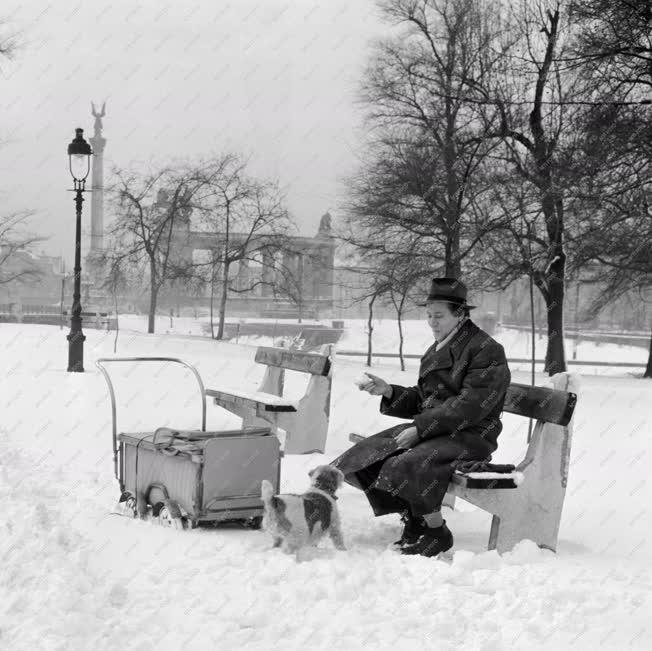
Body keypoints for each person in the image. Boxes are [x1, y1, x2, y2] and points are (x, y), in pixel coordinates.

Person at [331, 277, 511, 558]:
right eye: (428, 315)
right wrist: (389, 391)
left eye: (438, 316)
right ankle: (414, 518)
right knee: (363, 457)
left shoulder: (485, 350)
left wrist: (420, 429)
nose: (431, 322)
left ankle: (437, 532)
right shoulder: (437, 348)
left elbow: (471, 406)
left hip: (471, 435)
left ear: (460, 314)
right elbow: (425, 399)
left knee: (409, 462)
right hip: (437, 430)